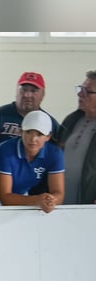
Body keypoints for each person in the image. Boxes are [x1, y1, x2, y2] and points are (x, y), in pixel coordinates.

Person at [0, 110, 63, 213]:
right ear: (21, 131)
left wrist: (51, 201)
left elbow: (59, 193)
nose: (33, 139)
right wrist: (37, 200)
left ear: (48, 137)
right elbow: (4, 197)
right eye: (28, 132)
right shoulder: (6, 151)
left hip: (23, 198)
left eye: (40, 134)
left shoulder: (54, 153)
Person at [60, 70, 96, 204]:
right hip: (60, 206)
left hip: (89, 209)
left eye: (88, 91)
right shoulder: (71, 120)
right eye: (81, 89)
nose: (80, 94)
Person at [0, 72, 61, 144]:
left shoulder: (50, 124)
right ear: (16, 91)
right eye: (24, 90)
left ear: (43, 94)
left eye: (33, 91)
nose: (27, 95)